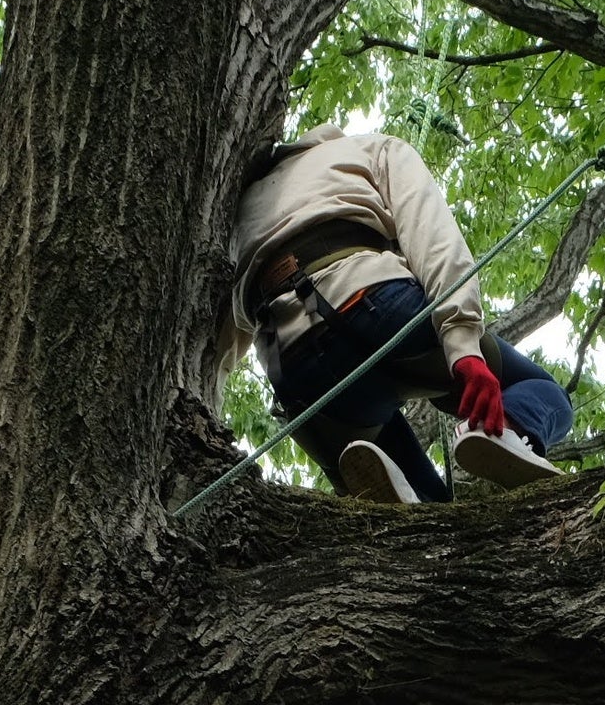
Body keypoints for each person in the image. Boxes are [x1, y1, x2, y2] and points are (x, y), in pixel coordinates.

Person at [226, 127, 576, 506]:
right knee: (549, 395)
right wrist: (463, 346)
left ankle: (398, 494)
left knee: (426, 507)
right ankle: (502, 428)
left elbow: (219, 343)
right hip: (370, 302)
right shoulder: (365, 149)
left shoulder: (236, 212)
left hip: (295, 369)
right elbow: (432, 234)